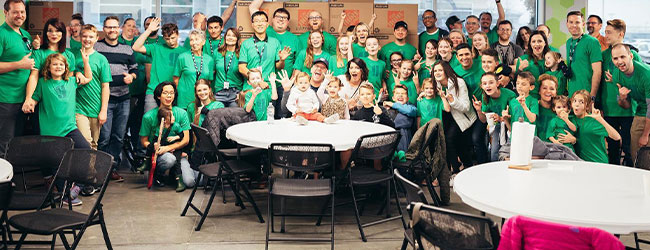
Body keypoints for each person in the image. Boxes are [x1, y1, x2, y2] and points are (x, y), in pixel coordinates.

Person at [24, 53, 90, 205]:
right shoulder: (43, 83)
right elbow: (34, 98)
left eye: (61, 64)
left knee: (86, 150)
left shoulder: (72, 81)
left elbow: (88, 78)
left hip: (69, 128)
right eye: (54, 64)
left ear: (66, 67)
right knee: (58, 164)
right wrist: (30, 103)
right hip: (51, 132)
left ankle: (78, 186)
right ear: (48, 67)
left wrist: (85, 63)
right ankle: (65, 196)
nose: (58, 67)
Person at [95, 16, 138, 182]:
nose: (112, 30)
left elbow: (135, 69)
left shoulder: (127, 49)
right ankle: (101, 170)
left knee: (119, 136)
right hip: (105, 100)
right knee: (104, 137)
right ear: (104, 29)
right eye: (108, 27)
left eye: (114, 27)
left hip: (123, 99)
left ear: (119, 29)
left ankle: (112, 168)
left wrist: (132, 77)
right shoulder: (97, 47)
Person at [23, 18, 76, 137]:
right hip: (43, 103)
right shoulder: (39, 53)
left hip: (61, 107)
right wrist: (29, 99)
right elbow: (33, 77)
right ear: (45, 33)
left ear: (63, 33)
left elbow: (69, 83)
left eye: (58, 31)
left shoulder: (69, 55)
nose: (54, 34)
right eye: (50, 31)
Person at [139, 81, 195, 191]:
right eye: (165, 93)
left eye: (171, 93)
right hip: (160, 154)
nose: (169, 96)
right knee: (169, 159)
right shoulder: (149, 116)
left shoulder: (181, 113)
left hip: (178, 152)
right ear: (158, 96)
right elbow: (144, 141)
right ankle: (158, 174)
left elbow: (186, 139)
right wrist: (154, 146)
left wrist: (169, 148)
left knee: (190, 182)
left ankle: (173, 173)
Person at [601, 19, 639, 166]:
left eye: (609, 32)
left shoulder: (632, 55)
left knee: (629, 150)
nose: (606, 35)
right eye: (605, 32)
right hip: (609, 109)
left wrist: (619, 82)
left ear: (621, 34)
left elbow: (638, 81)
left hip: (629, 110)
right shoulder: (604, 55)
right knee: (612, 149)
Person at [239, 11, 290, 119]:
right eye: (256, 21)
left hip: (270, 89)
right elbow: (241, 67)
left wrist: (282, 60)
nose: (260, 23)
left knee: (271, 120)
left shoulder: (274, 42)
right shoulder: (246, 44)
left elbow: (278, 66)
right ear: (252, 24)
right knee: (251, 121)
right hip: (251, 89)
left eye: (262, 21)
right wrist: (257, 81)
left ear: (267, 24)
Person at [0, 0, 33, 158]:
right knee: (5, 142)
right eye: (15, 12)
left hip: (23, 98)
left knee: (16, 141)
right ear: (6, 13)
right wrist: (19, 64)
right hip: (6, 98)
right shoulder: (1, 34)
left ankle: (10, 177)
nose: (20, 15)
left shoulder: (25, 34)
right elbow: (22, 63)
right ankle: (3, 180)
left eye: (22, 12)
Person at [133, 18, 188, 113]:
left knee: (170, 124)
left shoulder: (184, 52)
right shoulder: (156, 48)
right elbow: (136, 47)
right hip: (154, 90)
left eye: (173, 38)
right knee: (149, 121)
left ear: (178, 35)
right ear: (163, 37)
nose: (170, 41)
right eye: (167, 39)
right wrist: (149, 30)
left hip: (173, 93)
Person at [433, 61, 476, 175]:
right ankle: (462, 167)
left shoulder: (459, 82)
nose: (437, 73)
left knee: (451, 140)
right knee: (454, 144)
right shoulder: (435, 84)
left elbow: (466, 107)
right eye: (435, 70)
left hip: (460, 116)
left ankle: (456, 171)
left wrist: (452, 100)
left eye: (440, 70)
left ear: (446, 70)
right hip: (445, 116)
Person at [74, 24, 111, 150]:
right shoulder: (72, 55)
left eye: (91, 36)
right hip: (78, 107)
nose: (87, 39)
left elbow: (105, 86)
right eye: (84, 36)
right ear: (80, 37)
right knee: (85, 141)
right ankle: (82, 169)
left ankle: (90, 169)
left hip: (95, 107)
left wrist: (103, 110)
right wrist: (76, 73)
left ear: (96, 38)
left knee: (94, 144)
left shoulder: (101, 59)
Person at [610, 43, 650, 164]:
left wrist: (645, 134)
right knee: (635, 155)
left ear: (631, 56)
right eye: (615, 58)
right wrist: (623, 98)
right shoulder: (616, 75)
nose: (619, 61)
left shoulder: (646, 74)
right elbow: (625, 105)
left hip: (648, 110)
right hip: (641, 111)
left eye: (623, 57)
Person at [473, 72, 516, 161]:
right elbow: (484, 120)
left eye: (491, 82)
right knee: (494, 152)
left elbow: (515, 117)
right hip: (497, 125)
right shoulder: (485, 97)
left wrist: (501, 118)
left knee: (507, 152)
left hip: (510, 126)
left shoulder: (510, 95)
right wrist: (479, 110)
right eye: (484, 84)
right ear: (481, 86)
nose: (488, 86)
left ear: (497, 83)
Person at [249, 2, 300, 75]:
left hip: (285, 83)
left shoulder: (295, 39)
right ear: (272, 20)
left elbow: (298, 64)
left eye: (284, 18)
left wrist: (291, 82)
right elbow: (252, 7)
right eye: (278, 16)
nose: (281, 19)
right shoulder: (264, 29)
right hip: (265, 81)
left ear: (288, 22)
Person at [570, 90, 621, 163]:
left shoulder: (594, 120)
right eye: (574, 101)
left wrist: (600, 119)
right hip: (581, 164)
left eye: (581, 102)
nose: (577, 104)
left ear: (587, 106)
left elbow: (617, 137)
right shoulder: (570, 120)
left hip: (598, 162)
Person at [565, 10, 602, 98]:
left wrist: (592, 96)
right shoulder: (568, 42)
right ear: (567, 24)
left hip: (586, 94)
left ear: (583, 24)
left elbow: (597, 71)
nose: (574, 25)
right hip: (572, 94)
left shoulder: (592, 42)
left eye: (577, 22)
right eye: (571, 22)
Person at [173, 30, 214, 109]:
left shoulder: (209, 60)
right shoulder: (183, 57)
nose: (194, 43)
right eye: (191, 40)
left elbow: (209, 81)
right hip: (185, 99)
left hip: (202, 98)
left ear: (203, 42)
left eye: (196, 39)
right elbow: (176, 78)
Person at [514, 30, 550, 99]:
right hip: (530, 99)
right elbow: (516, 81)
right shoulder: (523, 59)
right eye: (533, 42)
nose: (536, 44)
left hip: (547, 98)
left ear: (545, 43)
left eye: (539, 41)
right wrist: (520, 69)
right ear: (530, 44)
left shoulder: (550, 59)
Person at [214, 28, 244, 107]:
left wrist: (242, 93)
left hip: (235, 93)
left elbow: (245, 75)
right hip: (219, 91)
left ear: (237, 39)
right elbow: (212, 72)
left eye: (233, 36)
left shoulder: (241, 53)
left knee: (235, 116)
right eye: (228, 35)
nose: (230, 37)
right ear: (225, 37)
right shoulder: (217, 52)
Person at [384, 84, 417, 152]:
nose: (400, 95)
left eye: (403, 93)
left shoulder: (411, 107)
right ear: (393, 98)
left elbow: (409, 111)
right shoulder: (388, 109)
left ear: (407, 98)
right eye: (397, 93)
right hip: (390, 138)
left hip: (405, 138)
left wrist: (393, 104)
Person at [536, 74, 560, 141]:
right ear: (539, 91)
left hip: (555, 148)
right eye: (544, 88)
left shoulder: (560, 109)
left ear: (556, 92)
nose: (548, 91)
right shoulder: (533, 107)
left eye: (552, 89)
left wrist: (573, 139)